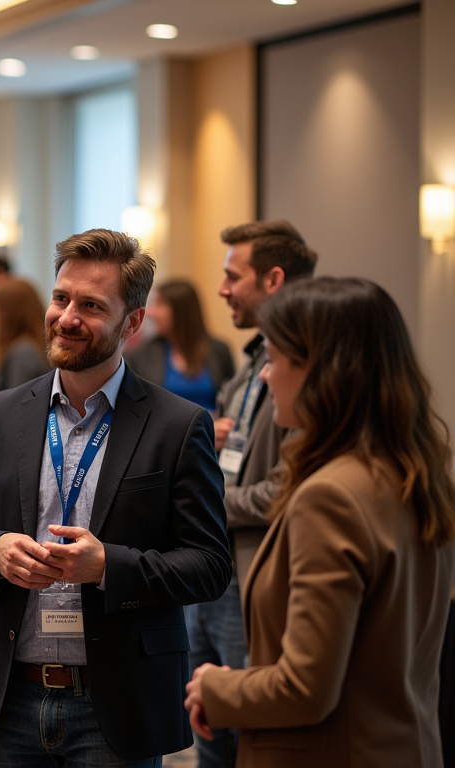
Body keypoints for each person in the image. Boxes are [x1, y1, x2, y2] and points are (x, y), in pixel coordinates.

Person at [0, 228, 231, 766]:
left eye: (91, 305)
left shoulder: (178, 426)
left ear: (132, 323)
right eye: (61, 297)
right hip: (11, 699)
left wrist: (106, 567)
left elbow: (210, 565)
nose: (67, 316)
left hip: (114, 704)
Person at [185, 277, 455, 767]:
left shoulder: (331, 496)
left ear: (324, 369)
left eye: (273, 356)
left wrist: (217, 686)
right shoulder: (413, 473)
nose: (265, 376)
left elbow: (305, 687)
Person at [187, 220, 317, 768]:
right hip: (214, 577)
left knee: (250, 742)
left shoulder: (305, 368)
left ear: (273, 280)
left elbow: (289, 491)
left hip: (256, 582)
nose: (221, 289)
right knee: (210, 734)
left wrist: (201, 504)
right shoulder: (249, 366)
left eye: (231, 276)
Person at [125, 279, 234, 412]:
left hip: (212, 431)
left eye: (160, 304)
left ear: (182, 311)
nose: (151, 313)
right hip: (167, 432)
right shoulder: (140, 355)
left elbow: (232, 403)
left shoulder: (219, 351)